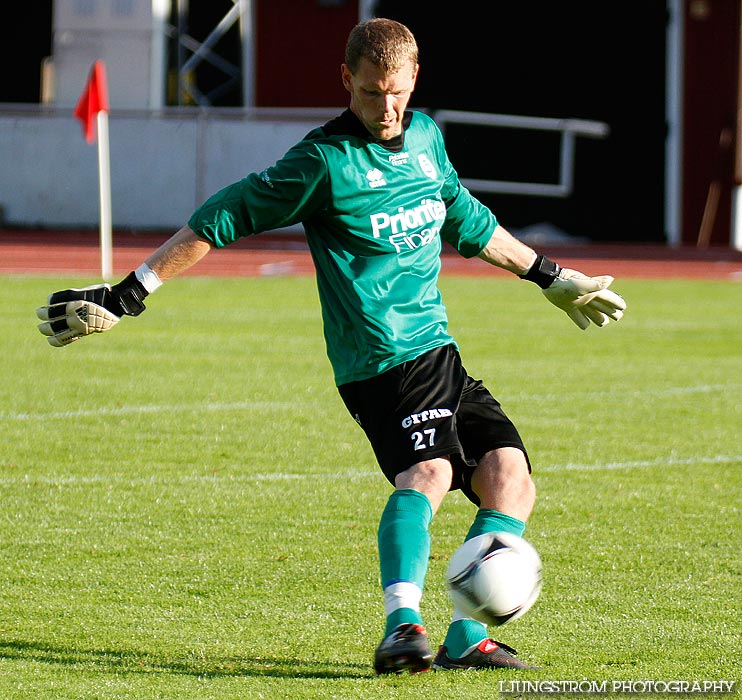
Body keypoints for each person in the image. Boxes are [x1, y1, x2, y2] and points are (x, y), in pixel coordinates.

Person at [37, 18, 625, 674]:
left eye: (397, 92)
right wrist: (129, 293)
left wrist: (551, 276)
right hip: (378, 362)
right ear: (347, 81)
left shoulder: (428, 138)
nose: (386, 107)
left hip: (438, 351)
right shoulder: (324, 162)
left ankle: (465, 636)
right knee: (427, 475)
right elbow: (223, 216)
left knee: (510, 479)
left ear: (415, 81)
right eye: (372, 93)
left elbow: (465, 217)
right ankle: (403, 626)